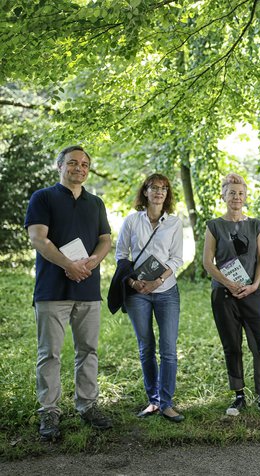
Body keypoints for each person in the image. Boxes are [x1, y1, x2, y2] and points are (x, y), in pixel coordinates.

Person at [24, 145, 113, 440]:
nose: (80, 168)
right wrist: (68, 265)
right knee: (49, 353)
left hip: (88, 290)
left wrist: (91, 262)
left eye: (85, 164)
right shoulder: (43, 197)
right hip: (52, 290)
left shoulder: (96, 203)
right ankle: (49, 410)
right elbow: (38, 238)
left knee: (87, 351)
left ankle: (87, 405)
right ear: (59, 166)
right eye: (73, 163)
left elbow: (105, 240)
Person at [203, 173, 260, 416]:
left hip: (252, 293)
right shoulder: (214, 225)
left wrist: (255, 285)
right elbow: (208, 262)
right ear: (223, 195)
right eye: (231, 192)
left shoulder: (255, 224)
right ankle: (238, 396)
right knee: (232, 346)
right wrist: (227, 283)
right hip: (224, 295)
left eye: (240, 193)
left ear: (246, 196)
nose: (236, 197)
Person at [115, 174, 185, 423]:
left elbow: (177, 259)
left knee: (168, 350)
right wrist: (134, 282)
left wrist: (158, 281)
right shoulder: (132, 221)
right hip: (138, 294)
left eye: (164, 188)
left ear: (167, 194)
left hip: (166, 292)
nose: (159, 192)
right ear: (145, 191)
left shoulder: (174, 223)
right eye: (154, 187)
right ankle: (153, 401)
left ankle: (167, 403)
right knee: (146, 348)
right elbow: (122, 255)